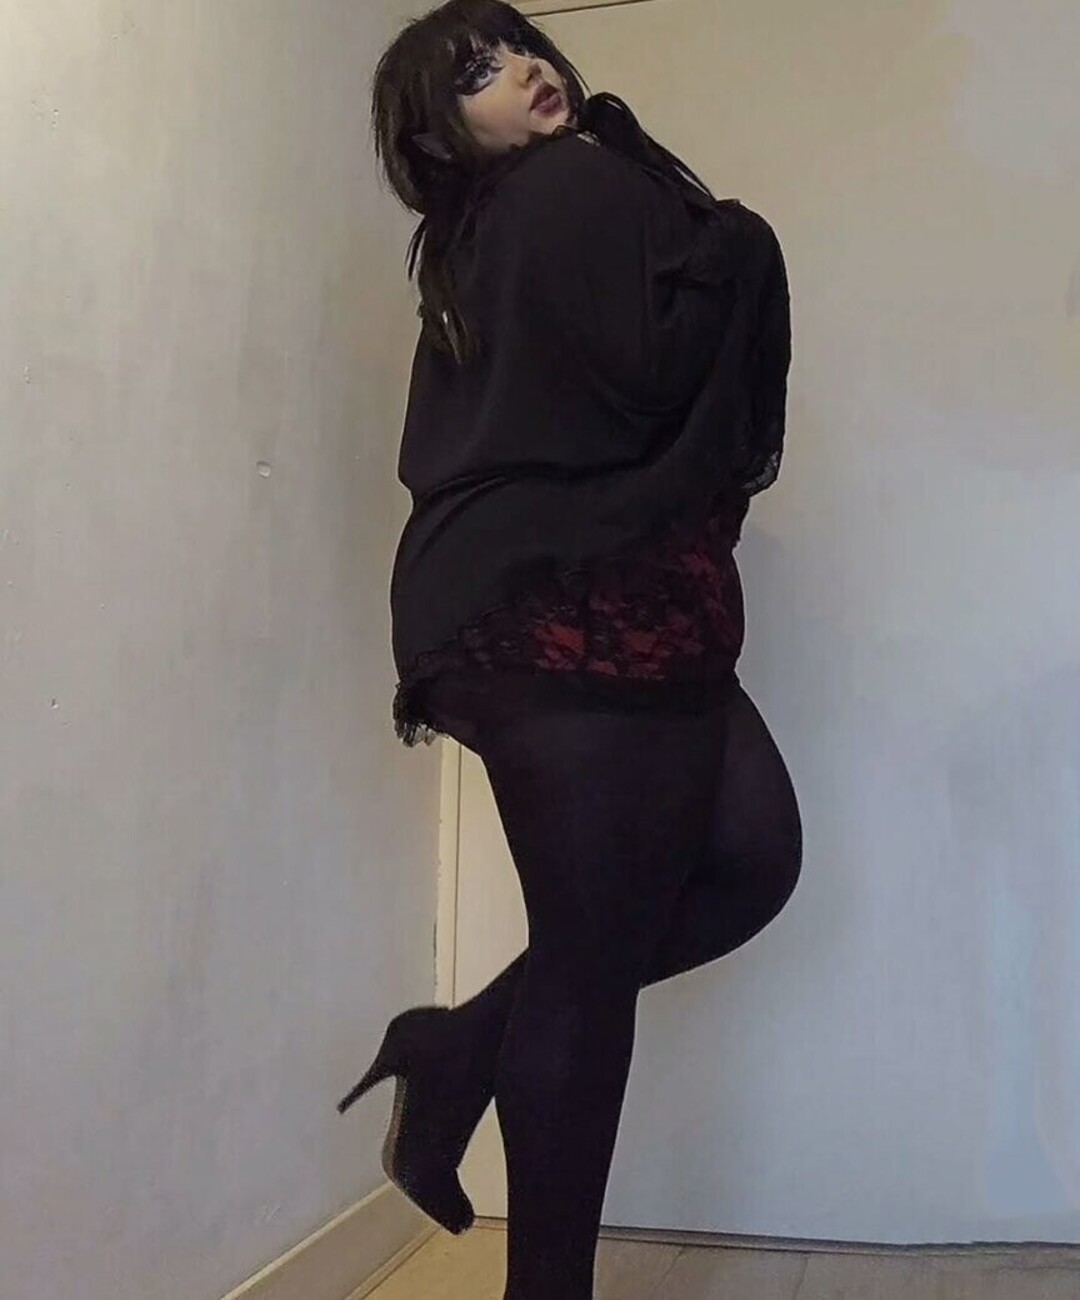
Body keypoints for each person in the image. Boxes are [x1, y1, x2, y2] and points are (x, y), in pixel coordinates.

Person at [337, 3, 802, 1297]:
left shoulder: (518, 217)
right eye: (478, 72)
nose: (526, 70)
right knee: (595, 970)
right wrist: (736, 246)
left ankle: (457, 1049)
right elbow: (652, 370)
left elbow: (618, 393)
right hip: (556, 603)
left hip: (583, 597)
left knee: (749, 859)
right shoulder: (563, 187)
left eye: (522, 45)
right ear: (441, 135)